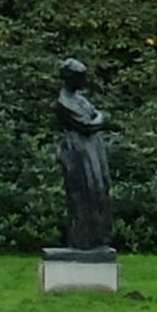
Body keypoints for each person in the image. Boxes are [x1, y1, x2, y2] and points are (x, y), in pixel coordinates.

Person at [55, 60, 115, 254]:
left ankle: (98, 238)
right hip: (78, 151)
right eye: (80, 77)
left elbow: (97, 117)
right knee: (84, 192)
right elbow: (89, 125)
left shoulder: (80, 99)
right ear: (71, 78)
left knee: (100, 189)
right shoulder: (64, 102)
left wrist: (98, 119)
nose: (84, 81)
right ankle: (82, 240)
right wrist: (99, 119)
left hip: (92, 147)